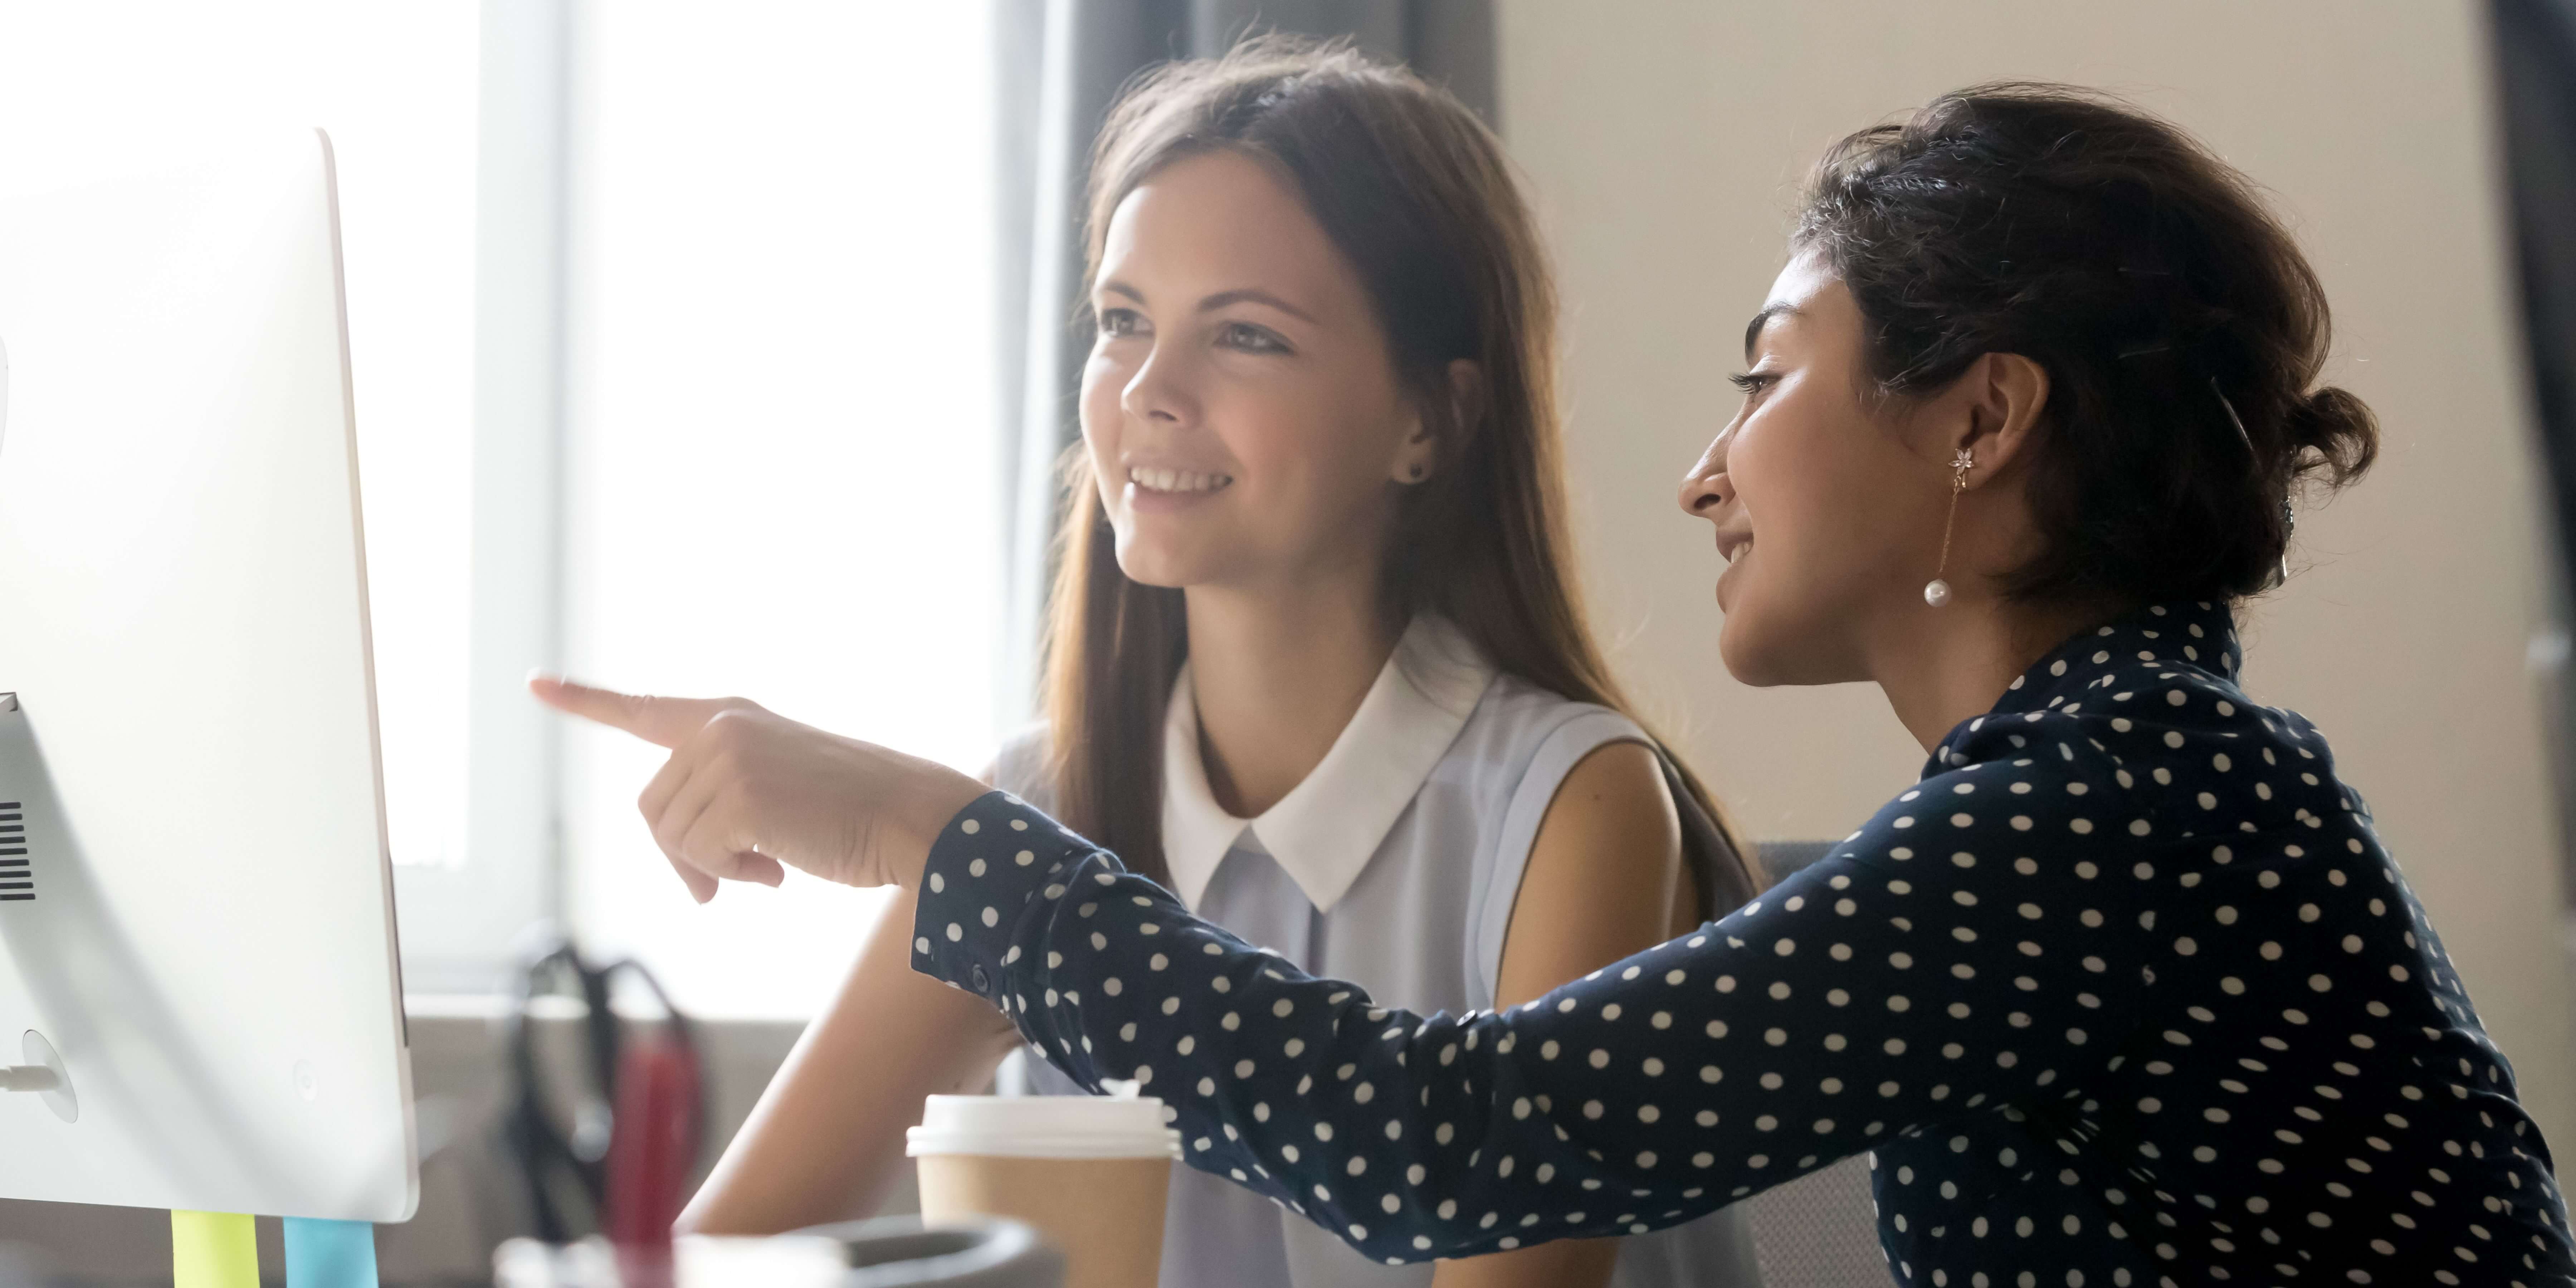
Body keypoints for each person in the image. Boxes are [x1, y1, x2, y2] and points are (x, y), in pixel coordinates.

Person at [540, 83, 2576, 1285]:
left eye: (1768, 377)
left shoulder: (2126, 802)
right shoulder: (2113, 787)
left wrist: (928, 837)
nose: (1710, 465)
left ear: (1982, 422)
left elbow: (1460, 1139)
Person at [546, 39, 1762, 1288]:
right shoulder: (1039, 809)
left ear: (1429, 419)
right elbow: (707, 1263)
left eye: (1246, 336)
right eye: (1124, 322)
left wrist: (919, 826)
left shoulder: (1574, 805)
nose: (1148, 391)